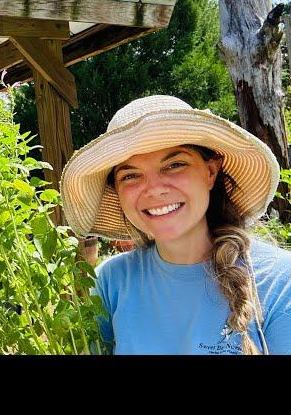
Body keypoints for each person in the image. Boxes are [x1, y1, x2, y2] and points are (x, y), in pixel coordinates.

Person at [60, 95, 291, 354]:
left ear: (211, 172)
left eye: (174, 164)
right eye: (131, 175)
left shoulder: (280, 280)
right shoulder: (111, 280)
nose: (154, 189)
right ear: (117, 192)